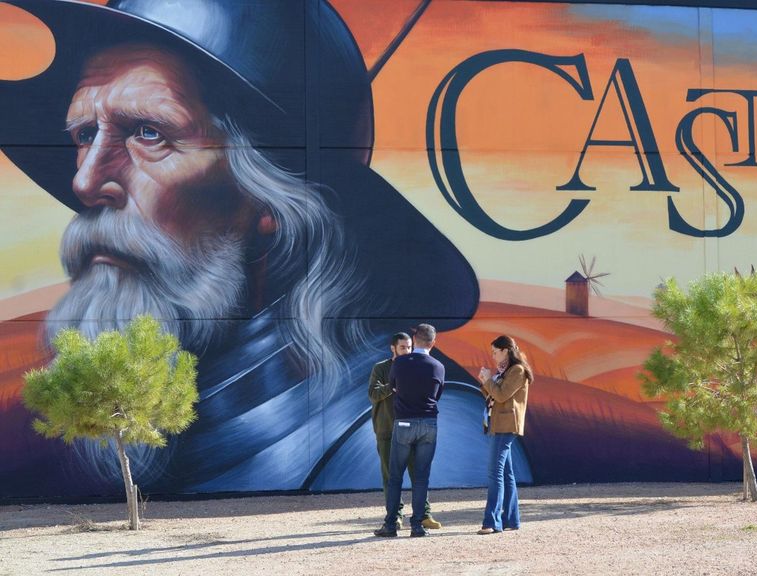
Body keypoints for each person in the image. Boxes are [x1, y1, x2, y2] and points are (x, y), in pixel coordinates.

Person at [0, 0, 478, 497]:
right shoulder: (164, 413)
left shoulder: (420, 439)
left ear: (268, 200)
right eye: (84, 134)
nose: (84, 181)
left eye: (148, 133)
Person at [375, 324, 445, 538]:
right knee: (422, 477)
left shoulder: (401, 363)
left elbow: (394, 386)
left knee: (395, 476)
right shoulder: (438, 366)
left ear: (414, 340)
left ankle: (391, 524)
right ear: (433, 343)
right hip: (428, 423)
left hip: (404, 422)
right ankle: (417, 525)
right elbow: (438, 393)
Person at [476, 335, 532, 534]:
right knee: (506, 474)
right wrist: (486, 382)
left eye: (495, 351)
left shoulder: (517, 370)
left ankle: (491, 521)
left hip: (506, 425)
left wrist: (488, 380)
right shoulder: (505, 371)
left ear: (506, 350)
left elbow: (500, 395)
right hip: (499, 423)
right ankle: (511, 520)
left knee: (495, 473)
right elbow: (494, 396)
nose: (493, 355)